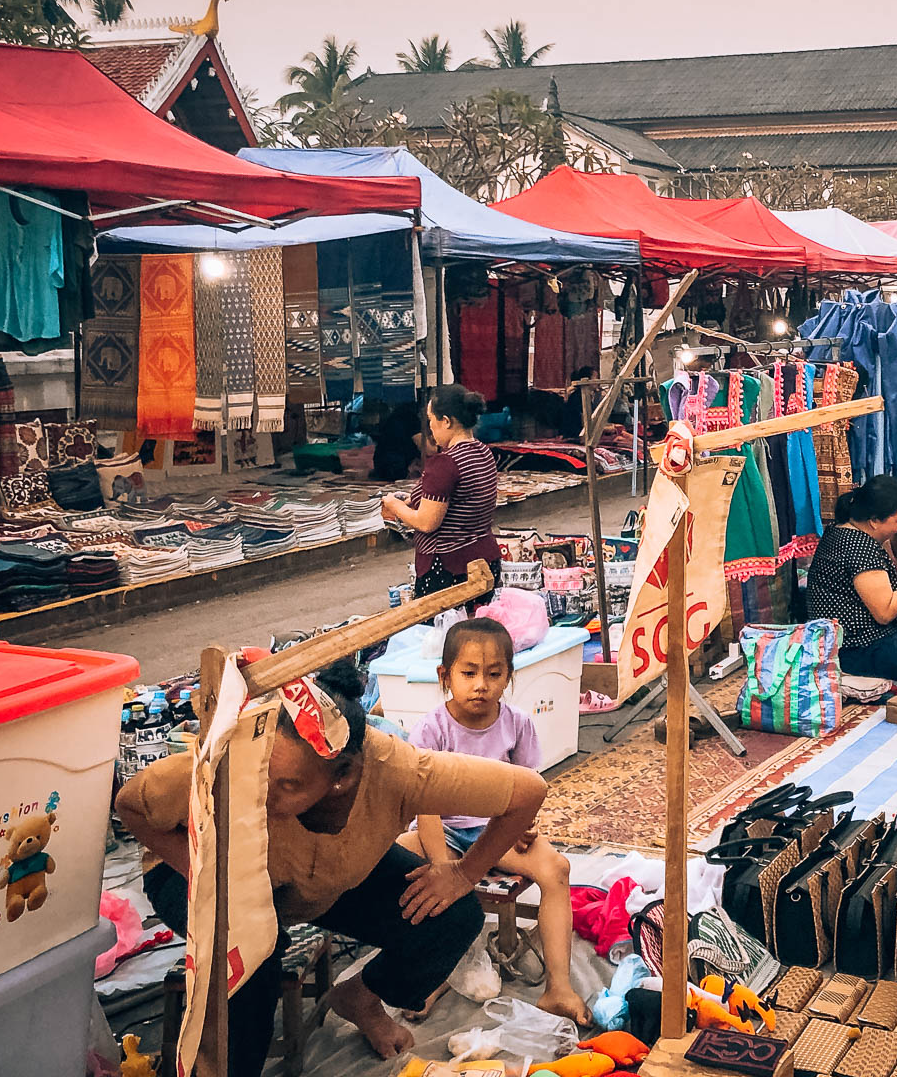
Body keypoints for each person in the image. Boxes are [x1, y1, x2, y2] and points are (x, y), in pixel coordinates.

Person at [115, 661, 547, 1074]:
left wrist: (461, 873)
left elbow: (527, 791)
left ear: (341, 776)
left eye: (288, 786)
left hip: (322, 882)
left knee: (453, 916)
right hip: (192, 869)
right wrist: (203, 874)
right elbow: (131, 804)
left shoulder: (400, 771)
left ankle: (360, 998)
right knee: (254, 960)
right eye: (265, 776)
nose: (266, 796)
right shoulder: (238, 756)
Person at [398, 618, 587, 1024]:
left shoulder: (517, 724)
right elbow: (424, 807)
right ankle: (430, 977)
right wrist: (442, 866)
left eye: (494, 673)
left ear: (509, 678)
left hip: (496, 831)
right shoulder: (431, 728)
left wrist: (525, 825)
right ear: (444, 676)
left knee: (557, 869)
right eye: (468, 673)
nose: (481, 684)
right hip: (442, 830)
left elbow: (529, 789)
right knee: (401, 868)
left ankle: (560, 987)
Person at [806, 475, 897, 683]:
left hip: (873, 631)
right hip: (854, 648)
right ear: (874, 521)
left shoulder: (845, 528)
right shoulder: (859, 548)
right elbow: (885, 613)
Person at [382, 385, 503, 597]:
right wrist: (415, 499)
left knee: (443, 628)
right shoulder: (483, 452)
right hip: (484, 561)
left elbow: (426, 522)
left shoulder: (445, 462)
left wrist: (395, 506)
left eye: (431, 419)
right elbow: (461, 498)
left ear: (446, 421)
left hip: (448, 569)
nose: (429, 427)